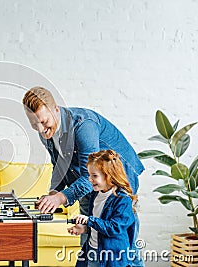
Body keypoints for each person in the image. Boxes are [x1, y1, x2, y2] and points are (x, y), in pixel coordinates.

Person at [22, 86, 145, 266]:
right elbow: (59, 166)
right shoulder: (45, 133)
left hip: (119, 178)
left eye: (44, 121)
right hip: (92, 182)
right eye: (34, 125)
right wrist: (53, 192)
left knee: (121, 242)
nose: (41, 130)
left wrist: (63, 197)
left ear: (56, 109)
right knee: (89, 237)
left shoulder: (83, 125)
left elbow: (89, 175)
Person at [67, 150, 136, 267]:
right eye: (89, 175)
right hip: (92, 250)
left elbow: (114, 228)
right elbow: (99, 224)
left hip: (112, 256)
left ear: (109, 176)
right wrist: (84, 229)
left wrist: (89, 220)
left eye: (94, 176)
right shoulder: (95, 195)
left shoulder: (122, 200)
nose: (90, 179)